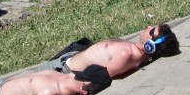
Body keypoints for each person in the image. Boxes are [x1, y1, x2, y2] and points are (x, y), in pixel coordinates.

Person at [36, 24, 180, 79]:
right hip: (69, 58)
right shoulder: (133, 51)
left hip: (62, 70)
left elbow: (100, 77)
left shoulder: (126, 54)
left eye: (152, 30)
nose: (148, 26)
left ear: (150, 44)